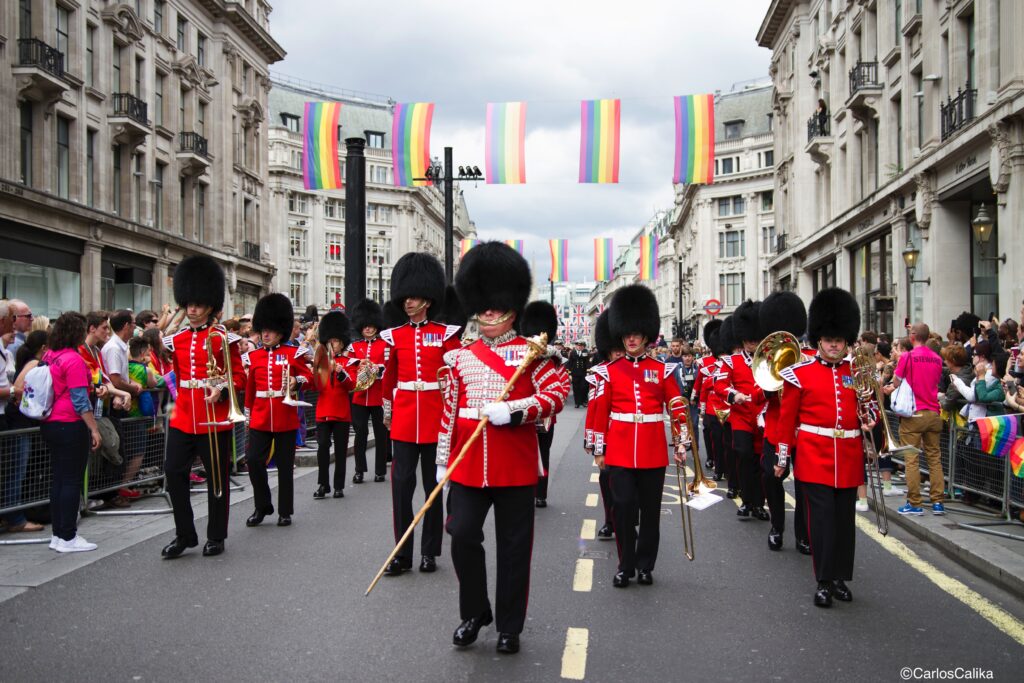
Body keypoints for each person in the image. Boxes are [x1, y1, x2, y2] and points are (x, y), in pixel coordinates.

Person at [436, 242, 569, 654]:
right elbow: (449, 411)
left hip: (514, 464)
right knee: (461, 536)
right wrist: (444, 461)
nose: (490, 313)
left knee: (514, 549)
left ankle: (510, 625)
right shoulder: (459, 357)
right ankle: (475, 612)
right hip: (468, 463)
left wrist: (513, 410)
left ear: (511, 305)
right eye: (484, 306)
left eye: (497, 305)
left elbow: (556, 393)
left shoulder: (534, 354)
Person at [776, 288, 873, 607]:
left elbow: (870, 412)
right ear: (818, 340)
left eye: (839, 340)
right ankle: (823, 580)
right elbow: (786, 421)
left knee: (845, 522)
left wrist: (872, 424)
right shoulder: (799, 374)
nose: (834, 344)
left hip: (848, 457)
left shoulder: (857, 374)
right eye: (828, 339)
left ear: (846, 341)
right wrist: (782, 458)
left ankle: (840, 578)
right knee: (821, 522)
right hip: (813, 456)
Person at [590, 285, 687, 589]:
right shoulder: (610, 371)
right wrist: (598, 448)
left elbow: (676, 406)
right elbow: (599, 412)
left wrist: (681, 441)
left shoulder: (662, 371)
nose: (631, 338)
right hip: (618, 450)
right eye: (627, 333)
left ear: (646, 336)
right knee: (623, 509)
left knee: (650, 513)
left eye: (637, 333)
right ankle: (625, 564)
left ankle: (645, 565)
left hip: (652, 451)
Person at [380, 253, 462, 576]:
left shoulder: (445, 334)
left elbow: (454, 376)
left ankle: (429, 551)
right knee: (401, 487)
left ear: (427, 299)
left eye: (413, 297)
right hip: (403, 420)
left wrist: (452, 418)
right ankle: (401, 553)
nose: (408, 302)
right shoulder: (394, 336)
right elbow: (389, 378)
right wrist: (388, 410)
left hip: (434, 417)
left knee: (432, 487)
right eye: (405, 297)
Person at [161, 256, 245, 559]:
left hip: (213, 417)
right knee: (173, 472)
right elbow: (180, 379)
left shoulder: (225, 339)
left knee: (217, 479)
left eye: (198, 304)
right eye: (189, 303)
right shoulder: (177, 341)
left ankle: (216, 535)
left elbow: (240, 377)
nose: (193, 309)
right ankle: (185, 534)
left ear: (210, 305)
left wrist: (221, 389)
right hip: (184, 415)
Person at [244, 293, 313, 527]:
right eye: (263, 329)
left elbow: (310, 377)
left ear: (280, 331)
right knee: (254, 461)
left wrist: (297, 382)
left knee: (285, 467)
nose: (265, 334)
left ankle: (285, 511)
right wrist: (247, 414)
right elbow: (251, 388)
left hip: (284, 415)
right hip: (261, 416)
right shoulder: (254, 356)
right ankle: (262, 505)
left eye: (270, 330)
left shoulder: (293, 354)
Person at [40, 312, 104, 552]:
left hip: (51, 421)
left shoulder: (50, 355)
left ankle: (58, 534)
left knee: (59, 479)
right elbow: (79, 400)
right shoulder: (73, 359)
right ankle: (68, 535)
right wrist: (94, 429)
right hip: (70, 422)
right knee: (71, 480)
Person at [757, 291, 812, 553]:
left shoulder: (811, 356)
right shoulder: (769, 356)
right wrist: (768, 389)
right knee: (770, 476)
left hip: (805, 430)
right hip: (776, 428)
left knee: (805, 484)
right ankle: (776, 526)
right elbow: (759, 394)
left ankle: (803, 533)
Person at [715, 301, 769, 521]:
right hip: (741, 417)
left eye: (754, 339)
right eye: (747, 340)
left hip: (764, 416)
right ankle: (747, 501)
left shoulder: (770, 361)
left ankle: (759, 503)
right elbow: (720, 385)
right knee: (744, 456)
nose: (750, 343)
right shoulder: (731, 361)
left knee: (762, 463)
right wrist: (733, 395)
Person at [893, 323, 946, 516]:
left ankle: (915, 503)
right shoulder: (937, 358)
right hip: (933, 413)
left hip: (914, 414)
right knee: (934, 459)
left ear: (914, 336)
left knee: (911, 459)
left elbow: (897, 381)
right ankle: (938, 502)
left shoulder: (907, 357)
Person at [519, 300, 566, 508]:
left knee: (543, 455)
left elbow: (561, 388)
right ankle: (526, 490)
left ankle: (541, 493)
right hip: (525, 416)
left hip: (546, 417)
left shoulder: (553, 360)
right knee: (524, 455)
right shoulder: (521, 357)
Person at [2, 330, 48, 533]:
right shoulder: (34, 364)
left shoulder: (21, 359)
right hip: (19, 422)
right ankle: (15, 517)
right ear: (44, 348)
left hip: (18, 421)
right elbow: (19, 392)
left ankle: (13, 514)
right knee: (16, 470)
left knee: (17, 469)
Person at [584, 310, 624, 540]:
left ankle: (627, 519)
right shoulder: (599, 374)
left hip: (628, 434)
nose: (618, 354)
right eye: (615, 350)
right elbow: (594, 408)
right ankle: (610, 520)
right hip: (607, 435)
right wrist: (593, 442)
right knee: (606, 479)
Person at [311, 308, 357, 499]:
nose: (332, 344)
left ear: (342, 342)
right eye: (330, 341)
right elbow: (315, 386)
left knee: (340, 451)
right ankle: (323, 484)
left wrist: (339, 372)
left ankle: (338, 485)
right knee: (322, 448)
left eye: (336, 341)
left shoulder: (349, 362)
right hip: (323, 411)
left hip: (341, 412)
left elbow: (352, 385)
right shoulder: (321, 362)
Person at [347, 299, 390, 484]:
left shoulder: (385, 345)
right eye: (365, 326)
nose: (368, 329)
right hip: (359, 397)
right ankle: (359, 470)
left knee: (381, 435)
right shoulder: (354, 347)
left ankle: (380, 470)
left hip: (378, 396)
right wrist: (359, 368)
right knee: (360, 434)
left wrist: (377, 369)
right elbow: (349, 369)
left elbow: (389, 368)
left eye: (371, 326)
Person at [693, 319, 723, 473]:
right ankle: (711, 457)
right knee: (707, 431)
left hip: (723, 403)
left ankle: (720, 461)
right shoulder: (704, 362)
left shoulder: (727, 361)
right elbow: (699, 382)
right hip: (709, 403)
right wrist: (696, 399)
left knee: (721, 437)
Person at [567, 341, 590, 408]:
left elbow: (587, 362)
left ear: (583, 346)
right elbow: (570, 363)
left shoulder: (585, 352)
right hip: (575, 373)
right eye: (578, 346)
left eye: (581, 346)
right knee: (576, 388)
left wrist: (588, 371)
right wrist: (569, 373)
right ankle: (577, 403)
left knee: (584, 387)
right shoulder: (573, 352)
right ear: (576, 346)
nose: (579, 347)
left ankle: (584, 401)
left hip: (583, 373)